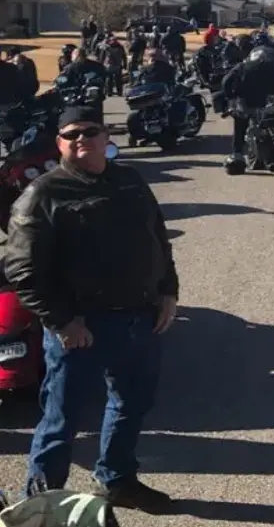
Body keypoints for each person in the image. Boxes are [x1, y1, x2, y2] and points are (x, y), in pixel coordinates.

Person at [3, 105, 179, 512]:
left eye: (89, 130)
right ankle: (42, 503)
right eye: (70, 134)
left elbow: (158, 239)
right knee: (60, 420)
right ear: (60, 144)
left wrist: (168, 291)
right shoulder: (44, 193)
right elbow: (22, 268)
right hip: (80, 327)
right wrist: (62, 320)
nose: (80, 138)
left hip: (140, 319)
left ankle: (117, 480)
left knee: (131, 405)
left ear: (106, 137)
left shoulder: (131, 181)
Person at [222, 45, 274, 174]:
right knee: (267, 130)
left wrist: (231, 96)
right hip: (263, 105)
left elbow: (226, 81)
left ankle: (237, 155)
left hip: (242, 104)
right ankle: (269, 158)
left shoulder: (241, 66)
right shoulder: (269, 68)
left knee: (239, 131)